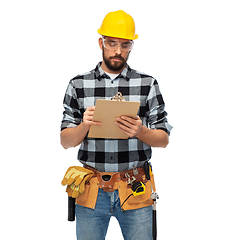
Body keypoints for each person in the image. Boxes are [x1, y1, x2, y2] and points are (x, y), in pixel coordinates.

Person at [60, 10, 172, 240]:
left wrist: (141, 131)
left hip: (135, 189)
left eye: (125, 45)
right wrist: (84, 126)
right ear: (101, 42)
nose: (118, 51)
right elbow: (65, 141)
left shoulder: (147, 84)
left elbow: (164, 139)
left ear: (132, 45)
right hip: (90, 190)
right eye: (111, 44)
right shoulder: (78, 84)